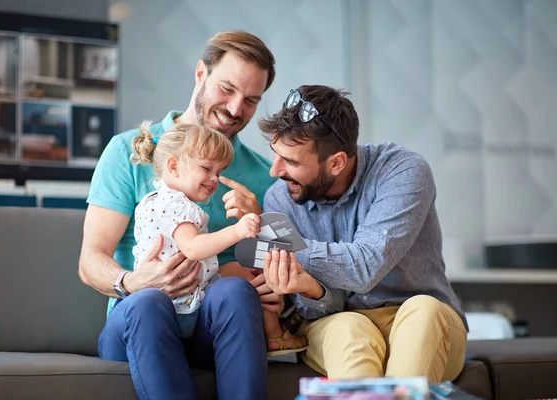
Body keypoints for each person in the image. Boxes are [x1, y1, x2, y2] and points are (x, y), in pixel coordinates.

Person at [78, 31, 282, 400]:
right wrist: (133, 281)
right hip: (140, 324)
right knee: (148, 301)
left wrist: (261, 228)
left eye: (251, 100)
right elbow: (90, 260)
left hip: (212, 329)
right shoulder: (127, 151)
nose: (236, 109)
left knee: (235, 290)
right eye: (227, 88)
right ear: (200, 73)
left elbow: (277, 272)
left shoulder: (262, 175)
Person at [256, 85, 469, 384]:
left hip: (419, 316)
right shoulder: (280, 198)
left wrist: (285, 248)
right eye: (276, 155)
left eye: (291, 162)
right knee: (348, 329)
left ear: (336, 162)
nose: (275, 171)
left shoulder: (403, 170)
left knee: (424, 311)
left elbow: (365, 267)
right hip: (338, 320)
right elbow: (321, 306)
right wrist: (309, 289)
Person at [129, 121, 307, 353]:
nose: (214, 179)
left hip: (185, 287)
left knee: (241, 270)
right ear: (173, 166)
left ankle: (275, 330)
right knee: (250, 281)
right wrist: (237, 230)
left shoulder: (155, 199)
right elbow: (193, 247)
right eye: (206, 168)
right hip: (181, 301)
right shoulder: (175, 205)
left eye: (219, 172)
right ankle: (274, 334)